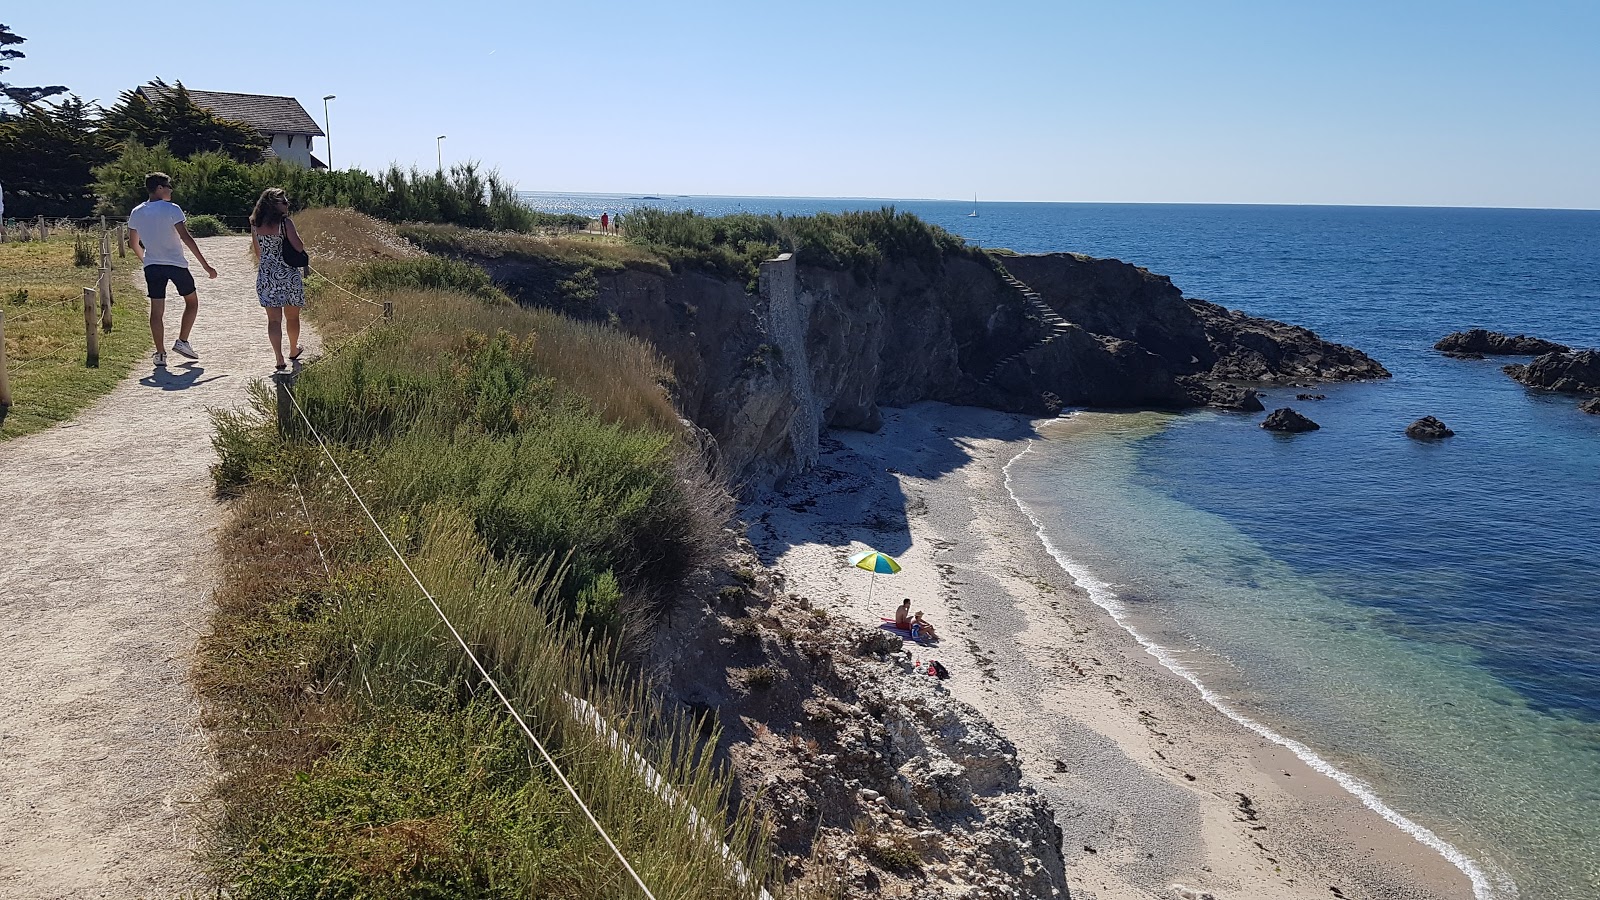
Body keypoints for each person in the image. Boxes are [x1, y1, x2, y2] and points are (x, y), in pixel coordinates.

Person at [127, 172, 217, 367]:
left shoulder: (136, 211)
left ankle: (160, 354)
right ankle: (182, 341)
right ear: (159, 188)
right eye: (168, 186)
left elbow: (133, 243)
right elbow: (186, 238)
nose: (171, 190)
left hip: (152, 265)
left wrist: (146, 260)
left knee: (156, 310)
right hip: (175, 264)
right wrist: (205, 265)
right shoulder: (172, 209)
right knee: (192, 302)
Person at [249, 188, 307, 370]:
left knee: (273, 320)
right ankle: (292, 349)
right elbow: (299, 247)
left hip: (266, 275)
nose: (287, 203)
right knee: (292, 317)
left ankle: (278, 358)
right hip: (288, 274)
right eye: (283, 201)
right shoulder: (285, 223)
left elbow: (258, 252)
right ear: (274, 205)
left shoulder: (255, 224)